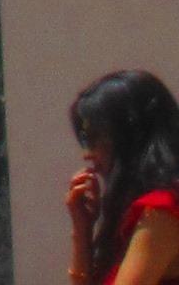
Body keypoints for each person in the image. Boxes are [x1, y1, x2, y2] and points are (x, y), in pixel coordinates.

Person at [69, 70, 179, 285]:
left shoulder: (162, 210)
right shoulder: (138, 213)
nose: (87, 154)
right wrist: (82, 231)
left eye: (93, 139)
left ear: (127, 138)